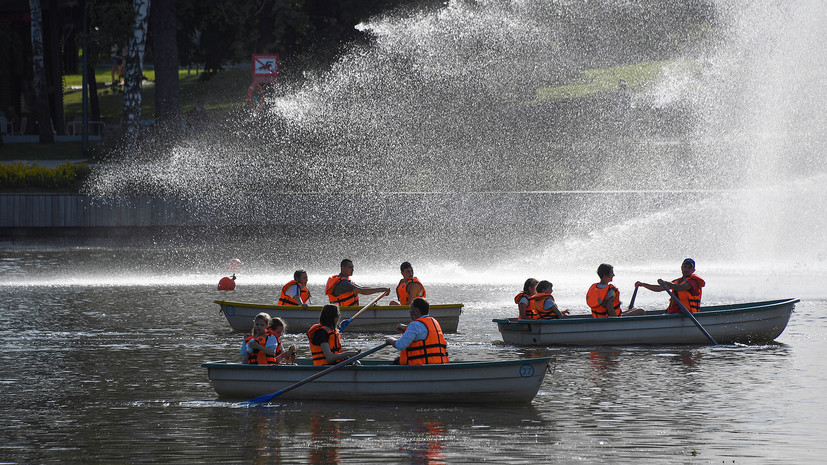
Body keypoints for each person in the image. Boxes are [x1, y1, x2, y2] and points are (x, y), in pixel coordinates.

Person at [385, 298, 449, 365]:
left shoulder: (415, 325)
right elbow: (422, 331)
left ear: (416, 311)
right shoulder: (434, 322)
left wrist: (391, 340)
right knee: (398, 360)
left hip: (421, 366)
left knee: (397, 361)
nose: (409, 311)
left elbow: (400, 345)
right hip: (439, 363)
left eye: (411, 309)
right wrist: (407, 328)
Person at [636, 258, 706, 314]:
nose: (686, 269)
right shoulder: (678, 281)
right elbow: (659, 288)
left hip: (687, 315)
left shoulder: (693, 282)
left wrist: (666, 282)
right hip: (674, 313)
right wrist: (643, 284)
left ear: (693, 270)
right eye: (685, 267)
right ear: (681, 268)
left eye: (689, 267)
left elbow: (680, 288)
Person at [325, 259, 390, 307]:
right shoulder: (343, 283)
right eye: (350, 267)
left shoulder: (346, 280)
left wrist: (382, 290)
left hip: (350, 311)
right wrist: (382, 290)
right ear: (343, 268)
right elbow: (362, 291)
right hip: (344, 312)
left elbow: (361, 288)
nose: (353, 270)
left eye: (353, 267)